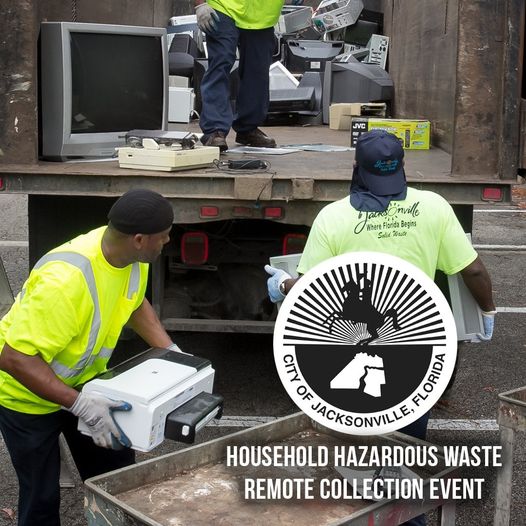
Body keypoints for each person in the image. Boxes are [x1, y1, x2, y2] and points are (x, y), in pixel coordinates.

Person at [265, 129, 496, 526]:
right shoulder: (434, 208)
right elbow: (472, 268)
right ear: (401, 166)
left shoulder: (334, 217)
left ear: (356, 167)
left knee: (350, 455)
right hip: (418, 353)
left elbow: (308, 289)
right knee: (405, 451)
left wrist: (282, 285)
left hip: (348, 351)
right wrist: (487, 312)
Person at [0, 189, 180, 526]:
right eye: (163, 237)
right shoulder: (65, 281)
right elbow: (14, 358)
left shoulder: (127, 256)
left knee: (117, 478)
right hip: (26, 396)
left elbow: (134, 301)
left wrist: (170, 352)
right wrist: (80, 405)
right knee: (40, 497)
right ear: (139, 239)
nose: (167, 242)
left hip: (86, 384)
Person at [195, 0, 303, 152]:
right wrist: (200, 4)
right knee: (221, 63)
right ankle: (214, 129)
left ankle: (247, 128)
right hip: (223, 7)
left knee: (257, 72)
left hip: (261, 17)